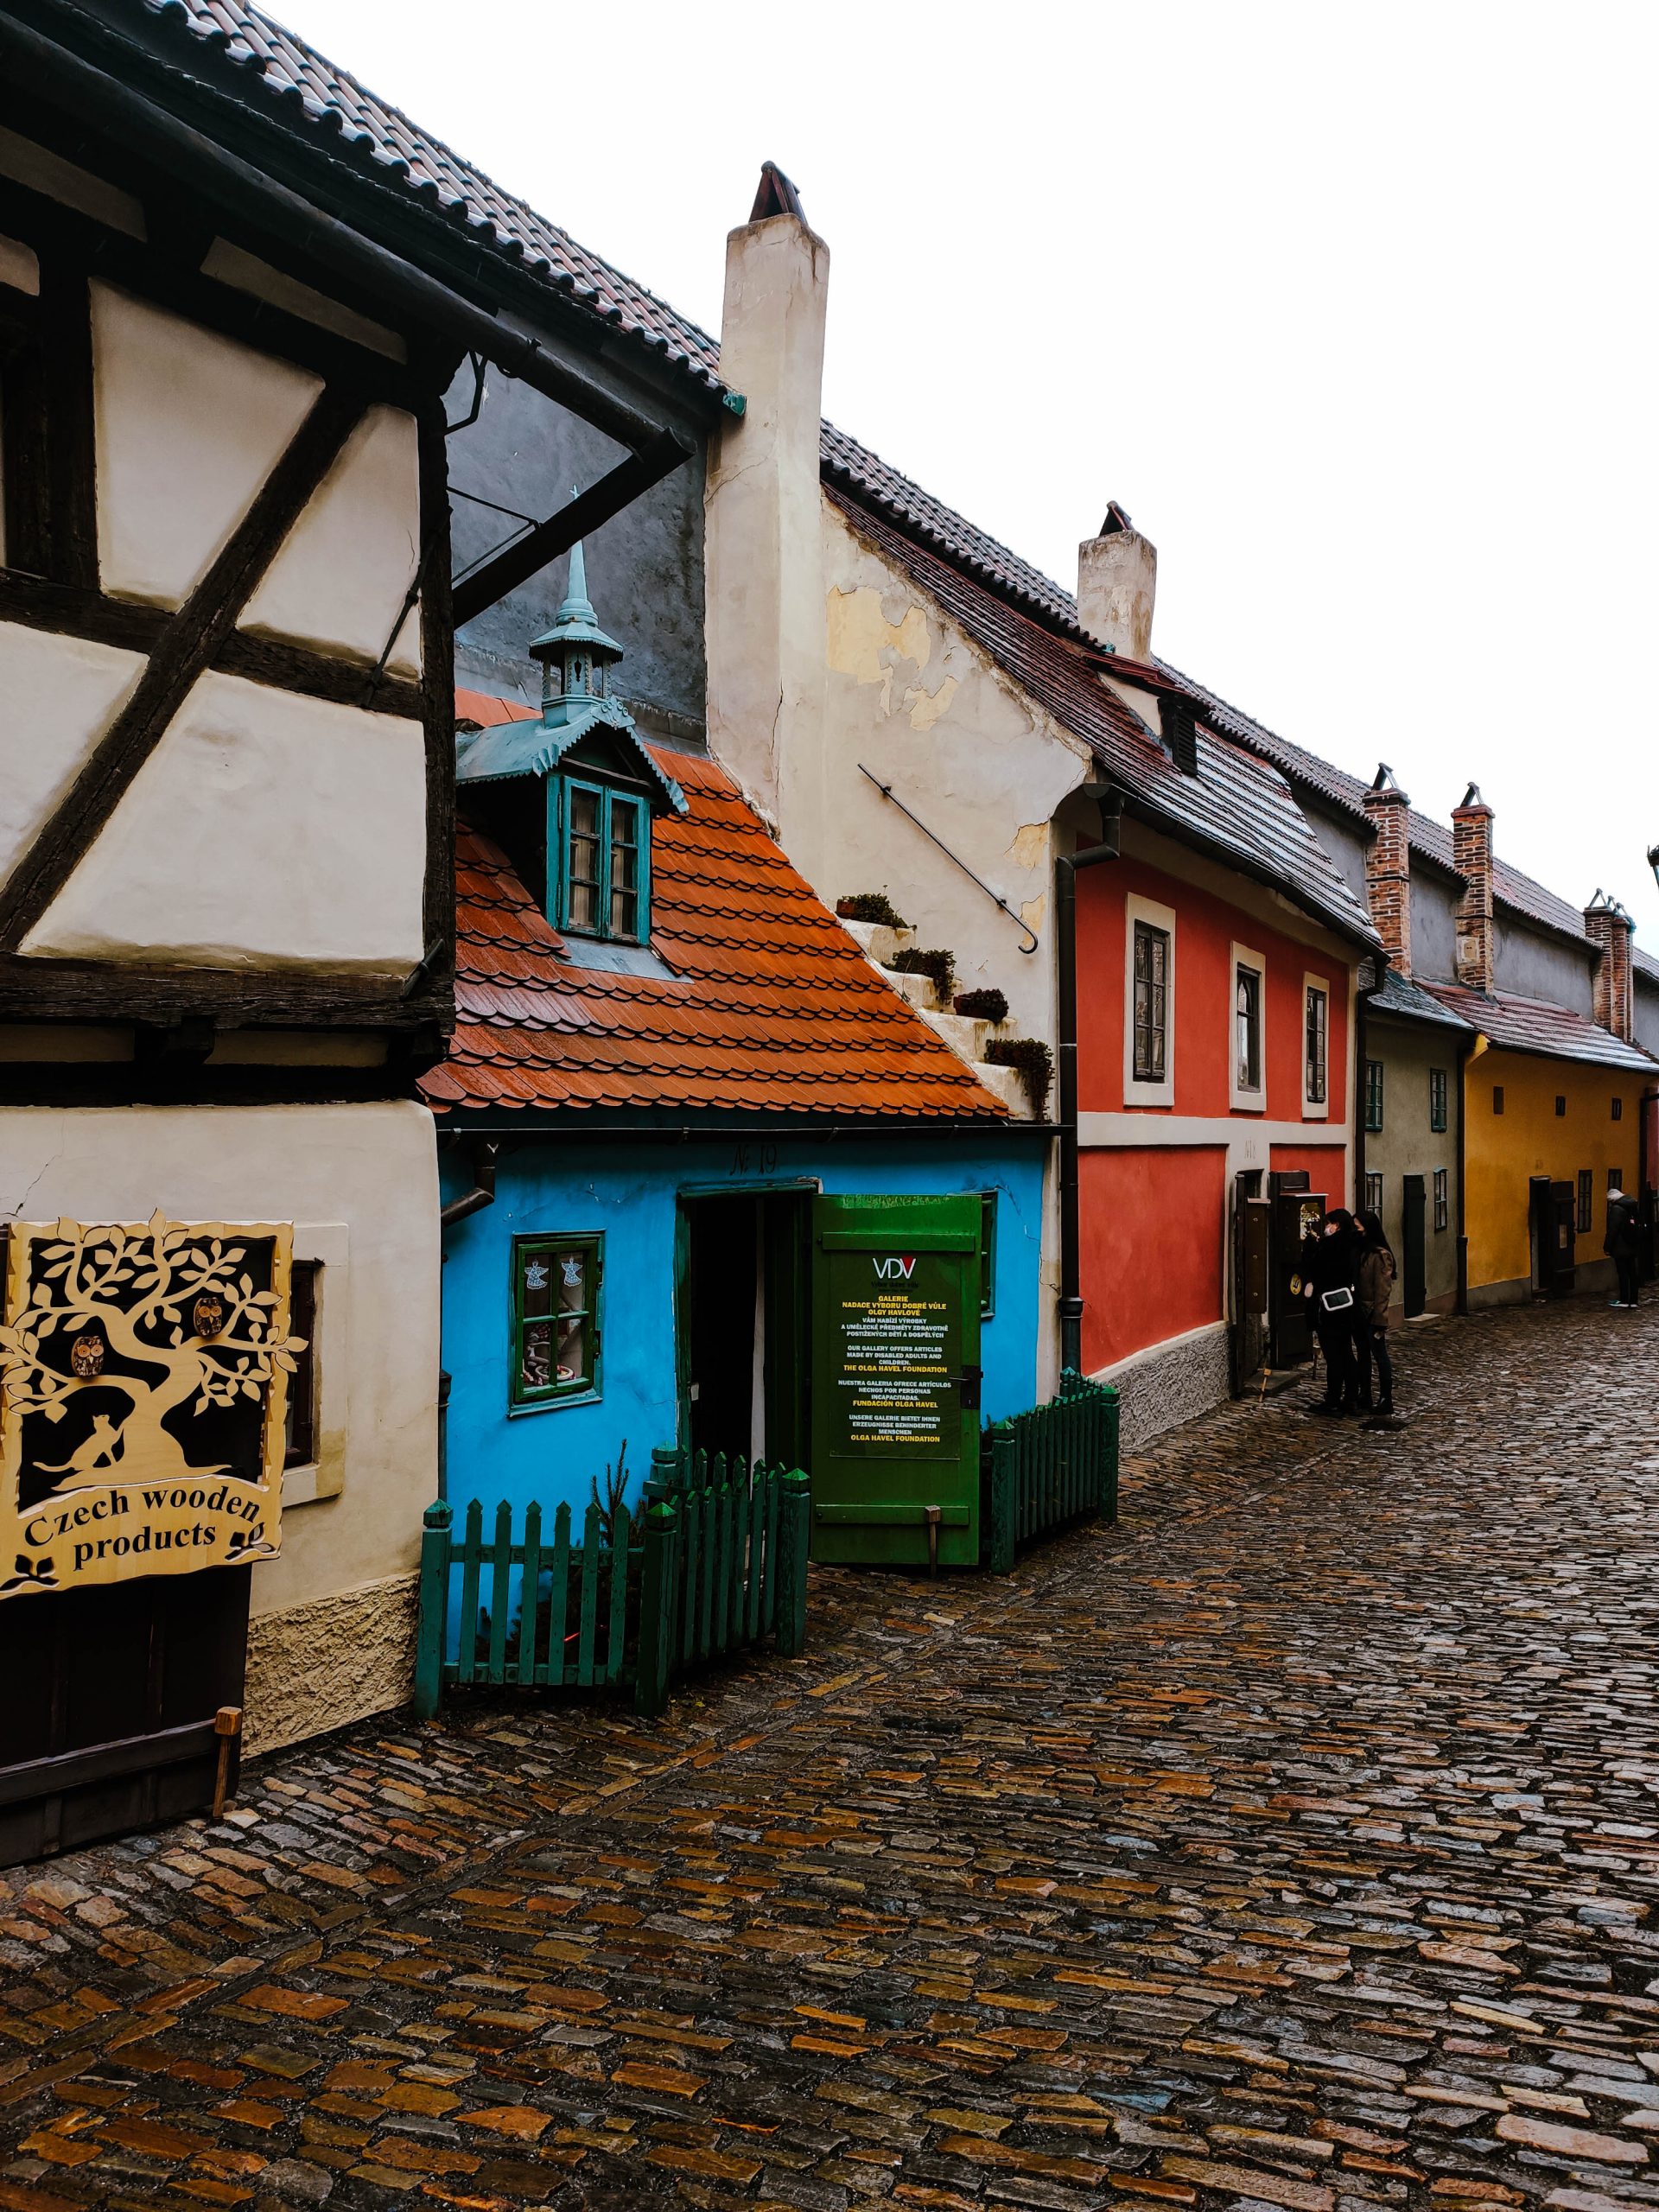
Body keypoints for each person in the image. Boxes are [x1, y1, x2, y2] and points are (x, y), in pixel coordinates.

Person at [1301, 1207, 1363, 1414]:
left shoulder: (1330, 1246)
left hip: (1328, 1308)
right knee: (1346, 1352)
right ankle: (1351, 1397)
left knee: (1334, 1355)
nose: (1327, 1227)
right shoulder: (1354, 1245)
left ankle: (1333, 1399)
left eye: (1329, 1223)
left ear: (1336, 1225)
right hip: (1347, 1307)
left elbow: (1314, 1270)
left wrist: (1310, 1248)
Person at [1353, 1208, 1397, 1417]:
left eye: (1358, 1227)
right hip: (1360, 1311)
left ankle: (1386, 1398)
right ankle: (1365, 1394)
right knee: (1363, 1354)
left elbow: (1383, 1290)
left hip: (1372, 1314)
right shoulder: (1362, 1251)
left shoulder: (1380, 1255)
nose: (1356, 1231)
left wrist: (1380, 1319)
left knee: (1380, 1356)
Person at [1605, 1193, 1643, 1310]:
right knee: (1632, 1274)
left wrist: (1607, 1247)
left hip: (1620, 1248)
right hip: (1632, 1246)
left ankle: (1624, 1300)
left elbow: (1613, 1230)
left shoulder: (1616, 1210)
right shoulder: (1631, 1207)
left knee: (1623, 1274)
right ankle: (1634, 1300)